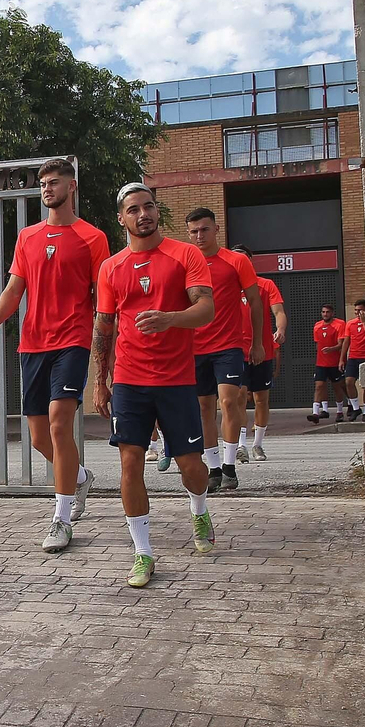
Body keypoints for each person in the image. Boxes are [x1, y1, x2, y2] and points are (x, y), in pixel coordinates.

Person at [0, 157, 110, 553]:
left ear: (71, 186)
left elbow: (102, 298)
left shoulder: (92, 238)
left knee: (58, 423)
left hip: (72, 340)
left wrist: (105, 350)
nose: (46, 189)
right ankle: (80, 477)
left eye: (53, 182)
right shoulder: (28, 237)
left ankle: (61, 518)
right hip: (33, 343)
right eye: (42, 184)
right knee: (39, 437)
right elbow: (14, 287)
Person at [92, 184, 216, 588]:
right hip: (129, 379)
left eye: (148, 207)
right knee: (130, 462)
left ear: (157, 211)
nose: (143, 214)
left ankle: (199, 508)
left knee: (191, 467)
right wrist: (100, 381)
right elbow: (104, 327)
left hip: (177, 379)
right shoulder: (111, 267)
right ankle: (142, 552)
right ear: (121, 219)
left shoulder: (186, 254)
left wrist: (170, 319)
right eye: (133, 209)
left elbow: (206, 309)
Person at [185, 208, 263, 492]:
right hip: (195, 348)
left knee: (229, 401)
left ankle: (230, 465)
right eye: (194, 231)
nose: (199, 236)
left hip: (228, 345)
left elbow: (255, 302)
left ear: (216, 229)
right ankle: (214, 467)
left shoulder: (236, 261)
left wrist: (257, 342)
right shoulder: (185, 263)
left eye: (204, 229)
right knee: (204, 407)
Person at [230, 245, 286, 462]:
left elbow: (278, 311)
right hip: (236, 351)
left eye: (243, 259)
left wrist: (280, 330)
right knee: (239, 396)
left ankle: (258, 444)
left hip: (262, 350)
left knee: (261, 398)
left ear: (250, 261)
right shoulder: (226, 287)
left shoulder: (265, 285)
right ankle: (241, 445)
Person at [309, 303, 348, 423]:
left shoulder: (339, 324)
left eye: (327, 312)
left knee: (337, 386)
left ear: (332, 313)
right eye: (323, 312)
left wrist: (332, 349)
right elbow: (318, 343)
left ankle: (340, 411)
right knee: (319, 385)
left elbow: (341, 344)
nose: (325, 314)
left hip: (335, 362)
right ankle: (315, 413)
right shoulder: (317, 326)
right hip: (321, 363)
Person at [342, 299, 365, 421]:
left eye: (360, 310)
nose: (357, 313)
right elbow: (346, 341)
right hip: (353, 357)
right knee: (348, 382)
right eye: (355, 310)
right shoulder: (350, 324)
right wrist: (342, 358)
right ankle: (355, 408)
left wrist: (364, 323)